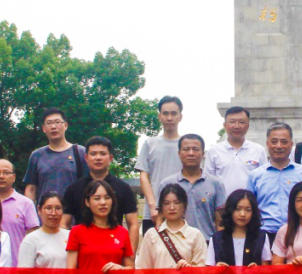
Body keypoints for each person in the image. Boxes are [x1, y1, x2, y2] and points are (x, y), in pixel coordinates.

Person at [64, 136, 141, 251]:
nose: (98, 158)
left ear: (110, 158)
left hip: (114, 251)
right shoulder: (74, 188)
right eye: (93, 154)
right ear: (86, 158)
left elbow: (133, 224)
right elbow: (64, 224)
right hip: (82, 253)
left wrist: (130, 255)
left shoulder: (123, 188)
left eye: (103, 154)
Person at [246, 122, 302, 247]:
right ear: (267, 144)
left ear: (291, 144)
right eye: (274, 142)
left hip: (298, 234)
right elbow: (249, 207)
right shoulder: (255, 176)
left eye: (284, 142)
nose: (279, 146)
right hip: (265, 236)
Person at [158, 134, 226, 240]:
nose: (191, 153)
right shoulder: (166, 184)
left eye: (195, 149)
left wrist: (220, 245)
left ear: (203, 154)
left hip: (207, 243)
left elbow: (220, 220)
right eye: (186, 149)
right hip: (174, 244)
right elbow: (160, 219)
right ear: (179, 154)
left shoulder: (216, 184)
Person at [136, 95, 184, 231]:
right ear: (159, 116)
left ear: (180, 117)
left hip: (181, 213)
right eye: (165, 113)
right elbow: (143, 176)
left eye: (174, 113)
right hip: (153, 214)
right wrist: (153, 205)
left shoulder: (187, 146)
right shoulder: (150, 143)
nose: (169, 118)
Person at [23, 107, 88, 205]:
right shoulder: (37, 155)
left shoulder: (80, 152)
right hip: (44, 212)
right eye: (49, 123)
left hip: (73, 212)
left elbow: (89, 185)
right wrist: (29, 212)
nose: (53, 126)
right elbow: (31, 189)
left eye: (57, 122)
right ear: (44, 128)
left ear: (65, 125)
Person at [204, 106, 267, 195]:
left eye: (241, 122)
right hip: (223, 203)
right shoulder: (214, 151)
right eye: (232, 122)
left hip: (249, 202)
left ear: (248, 126)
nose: (237, 126)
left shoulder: (258, 150)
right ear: (225, 125)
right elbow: (208, 183)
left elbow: (263, 181)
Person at [0, 158, 39, 264]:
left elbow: (34, 238)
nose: (1, 176)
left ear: (14, 177)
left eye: (6, 173)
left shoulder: (26, 204)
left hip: (17, 265)